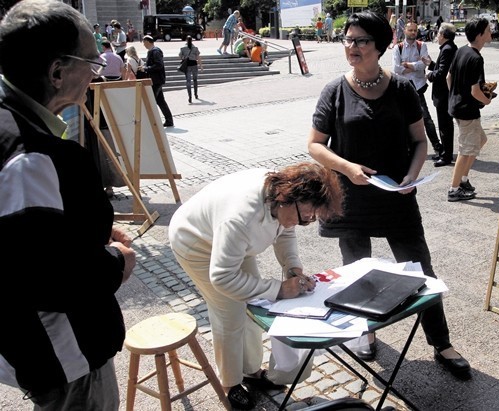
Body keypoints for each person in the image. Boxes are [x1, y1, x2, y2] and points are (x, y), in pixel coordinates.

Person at [307, 10, 471, 379]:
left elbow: (419, 140)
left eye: (361, 40)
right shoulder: (334, 90)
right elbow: (315, 146)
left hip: (397, 196)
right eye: (348, 40)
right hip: (349, 199)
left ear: (379, 46)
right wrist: (347, 168)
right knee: (356, 273)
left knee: (421, 270)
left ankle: (441, 342)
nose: (352, 47)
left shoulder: (401, 88)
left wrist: (412, 175)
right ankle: (364, 332)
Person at [0, 0, 136, 409]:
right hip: (65, 356)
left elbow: (31, 238)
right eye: (91, 64)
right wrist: (116, 259)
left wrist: (81, 231)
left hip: (43, 349)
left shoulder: (13, 126)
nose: (96, 76)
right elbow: (50, 279)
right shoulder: (30, 156)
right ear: (58, 71)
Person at [168, 162, 344, 410]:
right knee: (229, 312)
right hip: (196, 243)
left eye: (311, 219)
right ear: (285, 197)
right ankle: (229, 383)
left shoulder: (283, 201)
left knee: (251, 305)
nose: (305, 222)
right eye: (306, 216)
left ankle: (250, 372)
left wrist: (294, 268)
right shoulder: (240, 217)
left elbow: (285, 231)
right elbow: (223, 277)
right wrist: (279, 289)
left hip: (234, 243)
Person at [446, 17, 493, 202]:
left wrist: (455, 95)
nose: (491, 33)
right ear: (480, 34)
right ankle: (454, 188)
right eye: (488, 30)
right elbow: (475, 91)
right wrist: (487, 101)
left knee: (480, 139)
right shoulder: (475, 58)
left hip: (458, 107)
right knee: (466, 150)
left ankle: (463, 179)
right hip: (467, 111)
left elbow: (449, 77)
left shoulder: (461, 51)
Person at [391, 21, 443, 161]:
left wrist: (408, 65)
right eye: (410, 30)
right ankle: (405, 149)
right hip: (403, 88)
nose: (413, 33)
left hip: (418, 87)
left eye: (415, 30)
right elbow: (396, 68)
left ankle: (438, 147)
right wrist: (415, 66)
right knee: (402, 119)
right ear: (405, 31)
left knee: (425, 118)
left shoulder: (422, 46)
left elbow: (423, 64)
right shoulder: (398, 48)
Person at [426, 22, 458, 167]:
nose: (437, 36)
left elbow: (442, 73)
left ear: (444, 35)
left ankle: (446, 156)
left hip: (444, 94)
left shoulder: (447, 49)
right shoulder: (448, 48)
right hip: (444, 94)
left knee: (445, 126)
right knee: (445, 125)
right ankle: (445, 152)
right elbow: (442, 67)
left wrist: (430, 75)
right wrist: (431, 64)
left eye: (438, 33)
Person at [140, 35, 174, 127]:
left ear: (147, 42)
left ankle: (153, 122)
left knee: (152, 101)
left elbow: (159, 65)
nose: (143, 45)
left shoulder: (155, 51)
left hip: (156, 80)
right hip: (156, 79)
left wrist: (146, 69)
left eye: (144, 42)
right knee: (160, 101)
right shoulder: (152, 51)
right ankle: (169, 120)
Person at [179, 35, 203, 103]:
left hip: (187, 65)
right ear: (192, 40)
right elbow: (198, 57)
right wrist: (201, 66)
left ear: (186, 40)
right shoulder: (195, 48)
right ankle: (196, 94)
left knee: (188, 81)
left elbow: (180, 56)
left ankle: (190, 96)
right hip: (194, 65)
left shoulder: (182, 48)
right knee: (195, 80)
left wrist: (185, 57)